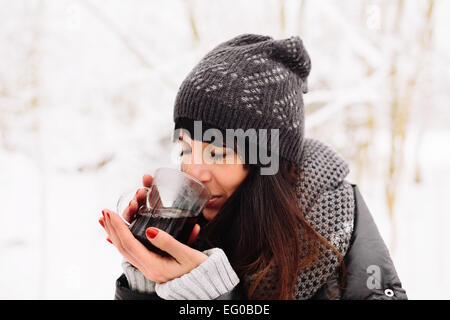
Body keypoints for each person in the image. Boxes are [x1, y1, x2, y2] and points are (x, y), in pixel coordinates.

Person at [99, 33, 408, 300]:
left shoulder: (335, 234)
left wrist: (211, 295)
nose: (193, 171)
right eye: (185, 149)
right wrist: (149, 281)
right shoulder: (193, 230)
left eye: (218, 154)